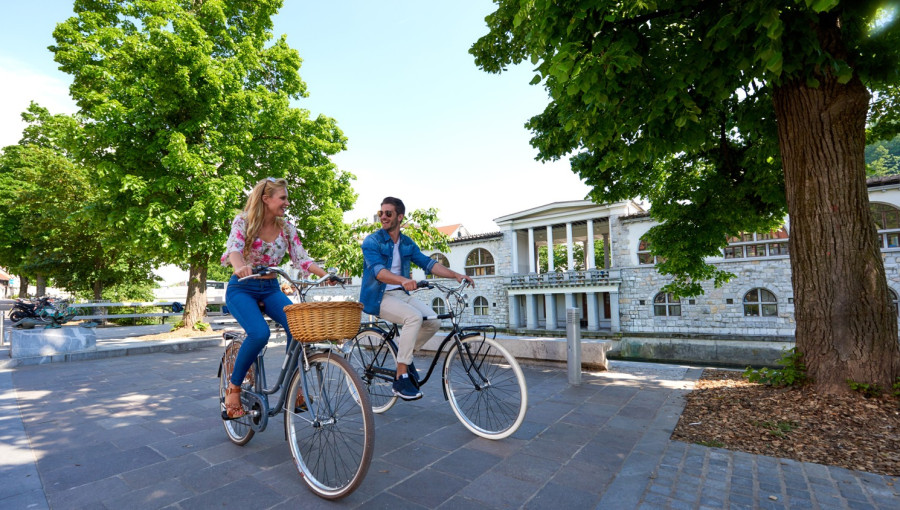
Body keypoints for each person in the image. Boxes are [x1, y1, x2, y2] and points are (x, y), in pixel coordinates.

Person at [220, 177, 330, 420]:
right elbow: (234, 250)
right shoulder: (244, 222)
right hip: (243, 287)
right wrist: (240, 267)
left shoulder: (287, 228)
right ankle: (234, 388)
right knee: (260, 334)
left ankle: (295, 388)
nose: (287, 203)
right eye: (283, 198)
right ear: (266, 199)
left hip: (270, 288)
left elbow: (302, 258)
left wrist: (327, 275)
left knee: (298, 328)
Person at [360, 197, 474, 400]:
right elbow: (378, 272)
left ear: (400, 217)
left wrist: (456, 274)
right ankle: (401, 376)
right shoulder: (372, 241)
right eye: (381, 213)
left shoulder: (406, 243)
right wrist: (403, 280)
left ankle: (403, 353)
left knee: (432, 321)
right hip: (379, 296)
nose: (383, 217)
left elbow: (428, 264)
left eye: (388, 213)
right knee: (413, 317)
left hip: (400, 295)